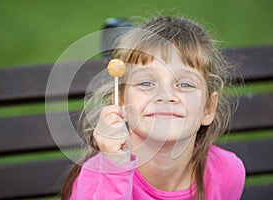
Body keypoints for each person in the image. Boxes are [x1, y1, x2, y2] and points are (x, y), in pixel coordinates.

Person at [61, 16, 245, 200]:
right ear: (120, 101)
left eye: (185, 85)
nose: (165, 95)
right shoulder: (97, 181)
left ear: (208, 108)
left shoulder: (226, 173)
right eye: (147, 83)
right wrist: (115, 169)